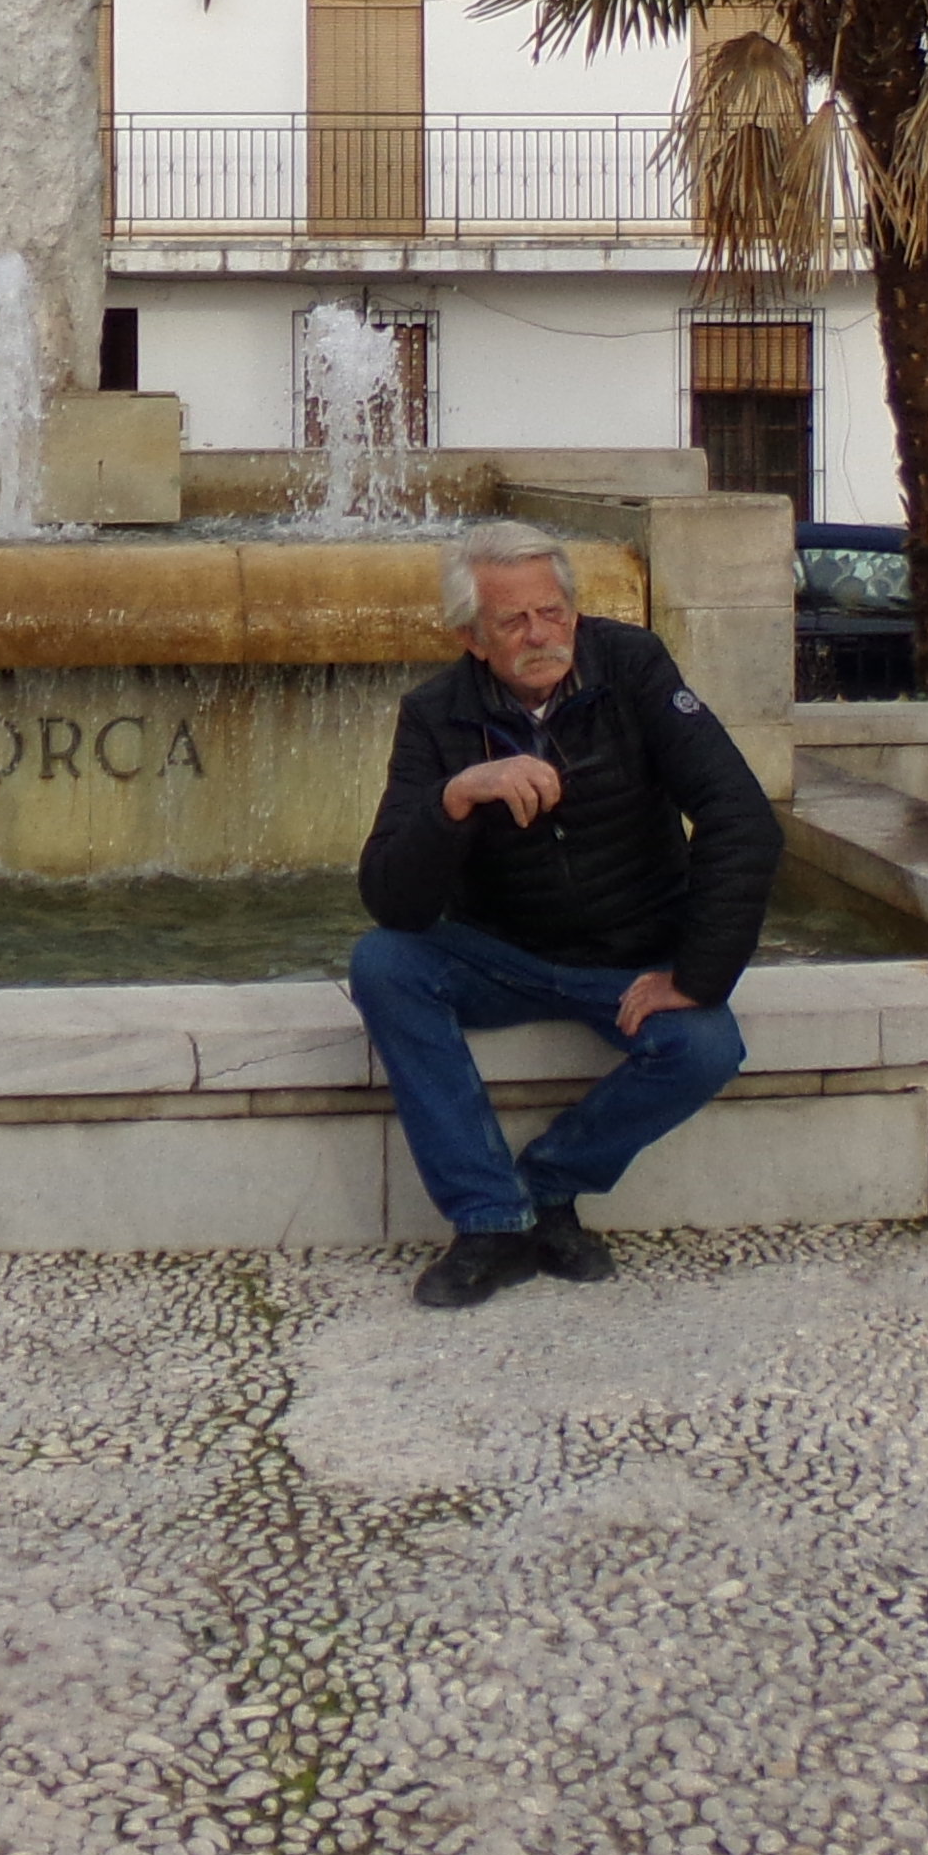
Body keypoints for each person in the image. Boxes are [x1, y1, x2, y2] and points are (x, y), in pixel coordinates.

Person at [353, 518, 783, 1310]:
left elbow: (741, 818)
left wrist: (695, 974)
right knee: (383, 963)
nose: (540, 635)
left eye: (552, 612)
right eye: (513, 621)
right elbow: (391, 898)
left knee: (706, 1046)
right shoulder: (435, 714)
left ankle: (546, 1187)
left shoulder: (632, 667)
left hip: (630, 955)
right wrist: (455, 798)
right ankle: (488, 1221)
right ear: (472, 638)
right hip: (502, 953)